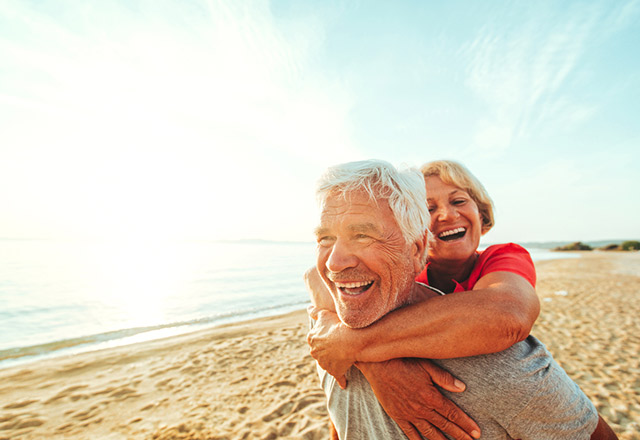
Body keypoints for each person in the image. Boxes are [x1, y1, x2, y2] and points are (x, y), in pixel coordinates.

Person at [308, 159, 617, 439]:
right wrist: (377, 366)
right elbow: (316, 276)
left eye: (458, 200)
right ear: (418, 234)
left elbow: (507, 316)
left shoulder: (501, 259)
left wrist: (351, 344)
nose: (445, 214)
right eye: (429, 208)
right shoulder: (390, 277)